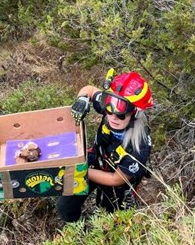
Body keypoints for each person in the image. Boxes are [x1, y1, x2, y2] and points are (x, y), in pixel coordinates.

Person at [59, 70, 154, 222]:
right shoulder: (113, 105)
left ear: (135, 113)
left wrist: (80, 171)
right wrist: (82, 99)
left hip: (117, 185)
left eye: (122, 113)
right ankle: (77, 232)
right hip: (97, 159)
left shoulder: (139, 145)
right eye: (109, 109)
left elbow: (116, 179)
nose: (113, 117)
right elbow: (89, 90)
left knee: (110, 219)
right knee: (65, 207)